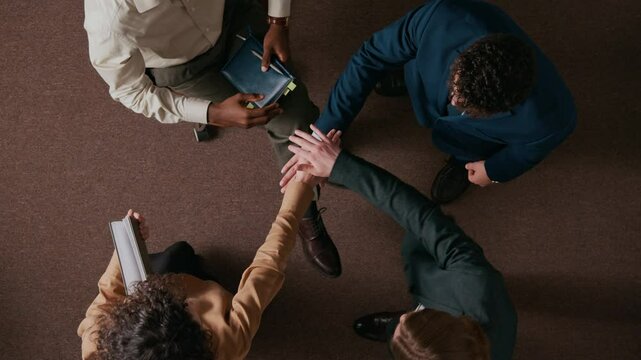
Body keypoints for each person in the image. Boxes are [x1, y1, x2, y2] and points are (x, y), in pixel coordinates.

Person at [83, 0, 341, 276]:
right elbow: (130, 91)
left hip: (232, 16)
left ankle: (303, 201)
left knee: (295, 117)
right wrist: (211, 112)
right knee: (264, 107)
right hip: (183, 67)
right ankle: (304, 206)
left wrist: (278, 22)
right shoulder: (108, 20)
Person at [282, 0, 576, 204]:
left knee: (467, 149)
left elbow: (525, 153)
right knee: (403, 71)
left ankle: (460, 164)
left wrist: (494, 171)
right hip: (421, 80)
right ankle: (408, 84)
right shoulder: (443, 17)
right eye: (455, 89)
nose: (454, 101)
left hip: (472, 144)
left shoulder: (551, 120)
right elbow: (370, 57)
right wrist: (323, 132)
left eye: (465, 105)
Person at [284, 125, 517, 360]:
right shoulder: (474, 282)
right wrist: (341, 166)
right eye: (410, 321)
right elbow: (423, 219)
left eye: (404, 324)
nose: (403, 316)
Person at [78, 178, 315, 359]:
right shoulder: (229, 342)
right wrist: (299, 192)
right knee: (183, 258)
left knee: (176, 254)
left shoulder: (96, 343)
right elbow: (265, 270)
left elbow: (108, 292)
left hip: (155, 282)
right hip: (211, 295)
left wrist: (130, 240)